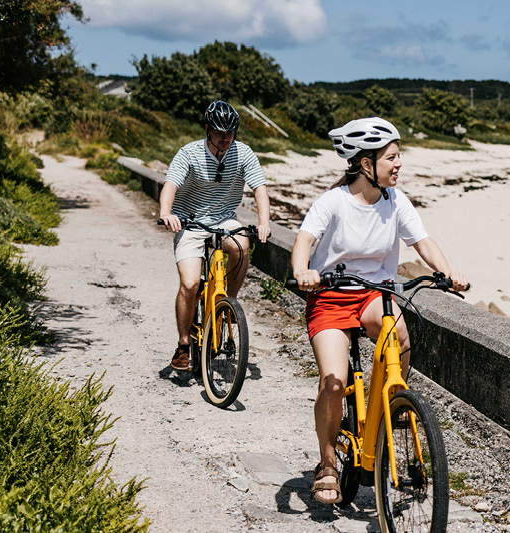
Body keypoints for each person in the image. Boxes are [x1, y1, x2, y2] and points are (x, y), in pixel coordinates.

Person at [290, 116, 468, 505]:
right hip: (331, 297)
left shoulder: (396, 201)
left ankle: (392, 408)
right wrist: (303, 272)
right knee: (334, 382)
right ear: (365, 163)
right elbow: (304, 239)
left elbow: (423, 242)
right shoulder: (333, 202)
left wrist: (447, 271)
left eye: (398, 156)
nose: (398, 164)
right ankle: (327, 464)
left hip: (374, 296)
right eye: (391, 157)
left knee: (400, 336)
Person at [158, 101, 272, 371]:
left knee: (242, 244)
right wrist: (166, 212)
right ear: (208, 129)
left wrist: (263, 222)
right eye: (220, 132)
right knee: (189, 284)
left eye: (230, 132)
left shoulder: (243, 153)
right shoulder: (189, 153)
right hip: (189, 220)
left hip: (223, 218)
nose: (225, 138)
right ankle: (184, 344)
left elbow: (260, 189)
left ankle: (226, 304)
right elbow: (170, 184)